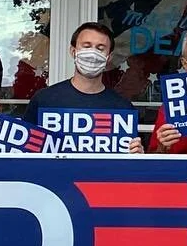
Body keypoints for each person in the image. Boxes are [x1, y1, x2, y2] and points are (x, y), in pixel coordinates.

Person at [22, 21, 143, 152]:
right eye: (86, 46)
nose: (92, 53)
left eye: (100, 48)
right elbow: (25, 152)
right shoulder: (44, 100)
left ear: (108, 57)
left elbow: (129, 162)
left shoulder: (123, 108)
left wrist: (138, 154)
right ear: (73, 51)